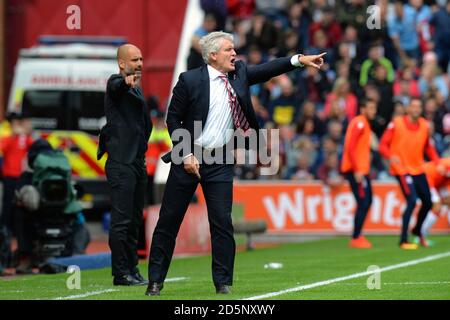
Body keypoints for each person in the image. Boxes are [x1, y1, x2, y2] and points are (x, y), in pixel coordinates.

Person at [145, 31, 325, 296]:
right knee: (169, 220)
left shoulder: (238, 73)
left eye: (234, 49)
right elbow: (174, 120)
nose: (234, 54)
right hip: (189, 157)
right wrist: (185, 154)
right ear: (213, 55)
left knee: (222, 222)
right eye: (229, 50)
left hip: (220, 160)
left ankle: (223, 283)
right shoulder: (190, 79)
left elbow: (267, 70)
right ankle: (155, 281)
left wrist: (298, 60)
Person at [97, 44, 153, 286]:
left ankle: (133, 269)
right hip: (121, 163)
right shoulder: (115, 83)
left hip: (137, 163)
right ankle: (120, 273)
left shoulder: (138, 90)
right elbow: (116, 86)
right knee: (121, 221)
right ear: (122, 63)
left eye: (141, 58)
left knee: (134, 220)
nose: (140, 63)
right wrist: (125, 82)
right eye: (134, 59)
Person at [379, 98, 440, 249]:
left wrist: (437, 162)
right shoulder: (397, 123)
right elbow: (383, 145)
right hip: (402, 169)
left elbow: (428, 148)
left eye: (419, 106)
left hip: (418, 169)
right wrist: (390, 156)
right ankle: (403, 240)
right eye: (413, 106)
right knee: (412, 201)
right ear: (408, 109)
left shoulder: (424, 125)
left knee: (428, 202)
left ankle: (417, 230)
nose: (416, 109)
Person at [340, 99, 377, 249]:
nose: (374, 111)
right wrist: (356, 169)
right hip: (357, 170)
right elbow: (351, 147)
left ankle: (358, 234)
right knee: (363, 202)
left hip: (362, 170)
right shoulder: (360, 123)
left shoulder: (364, 123)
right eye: (371, 107)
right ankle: (356, 237)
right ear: (363, 109)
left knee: (367, 201)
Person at [419, 158, 450, 245]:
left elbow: (446, 179)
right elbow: (440, 170)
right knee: (437, 206)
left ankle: (421, 233)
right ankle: (420, 234)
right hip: (426, 180)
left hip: (438, 183)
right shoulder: (447, 163)